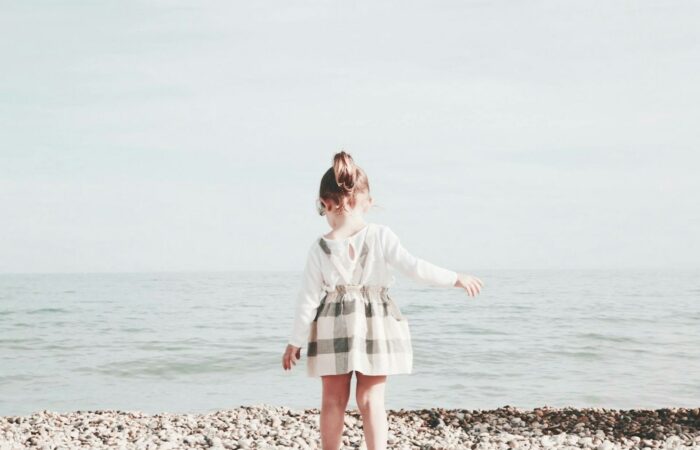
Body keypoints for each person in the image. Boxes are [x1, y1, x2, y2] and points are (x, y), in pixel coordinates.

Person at [282, 150, 483, 450]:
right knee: (370, 399)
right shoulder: (380, 235)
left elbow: (308, 300)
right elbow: (414, 268)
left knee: (333, 400)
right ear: (367, 201)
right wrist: (455, 278)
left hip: (331, 325)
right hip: (375, 322)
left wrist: (295, 342)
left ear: (325, 204)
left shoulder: (319, 248)